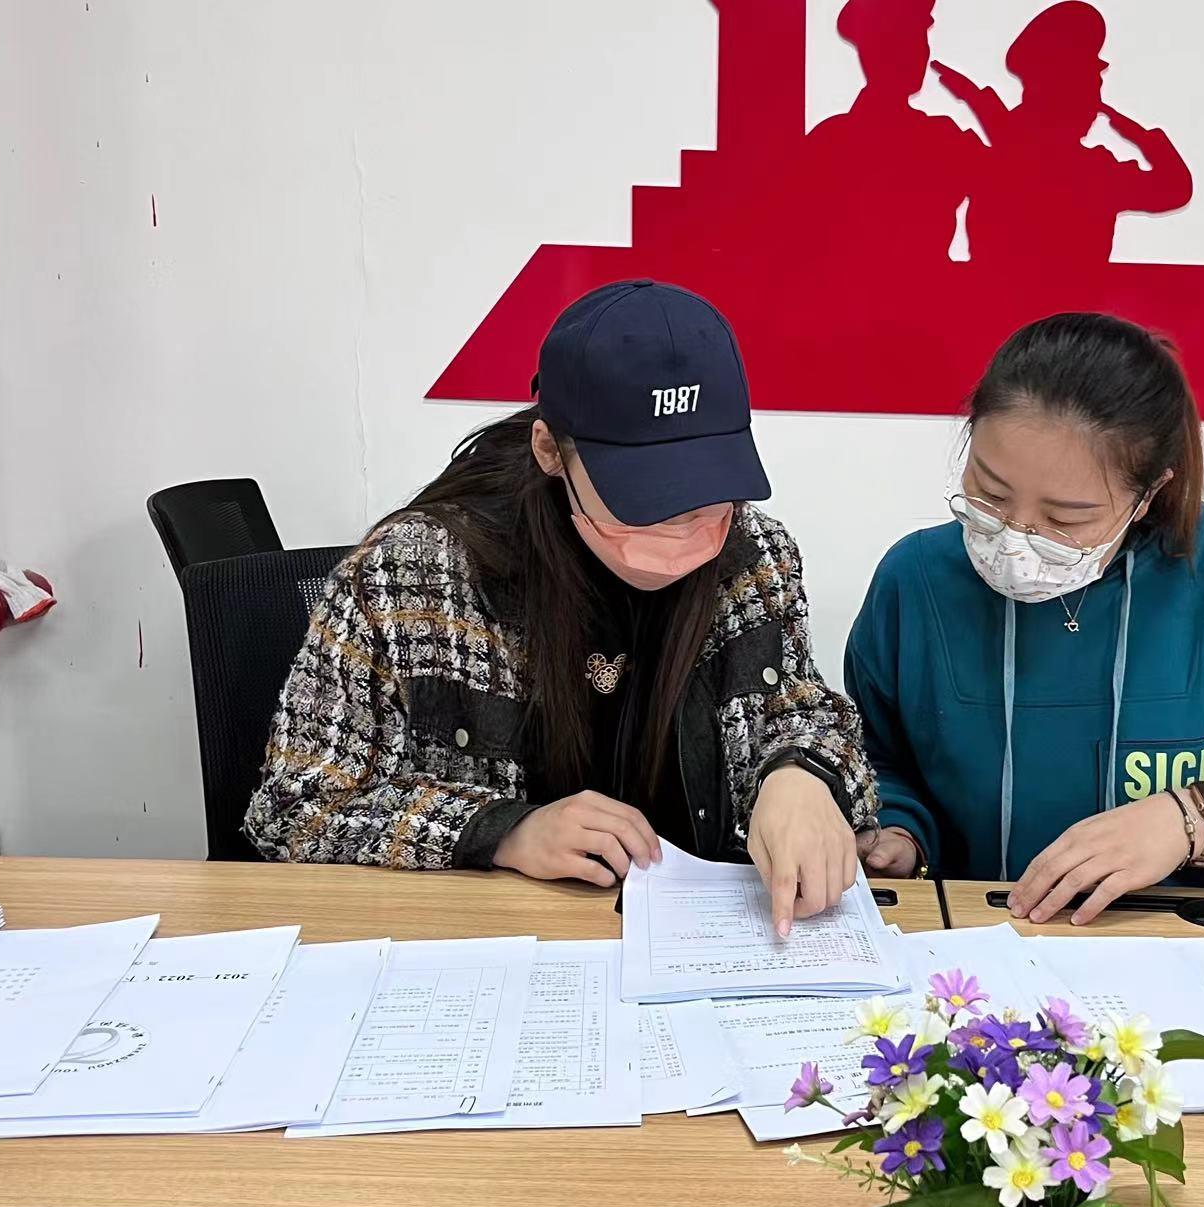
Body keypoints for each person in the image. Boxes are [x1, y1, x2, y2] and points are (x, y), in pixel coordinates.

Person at [248, 280, 879, 934]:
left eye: (708, 493)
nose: (682, 527)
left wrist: (802, 774)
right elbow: (292, 809)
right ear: (551, 450)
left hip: (704, 938)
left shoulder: (752, 555)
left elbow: (801, 713)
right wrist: (501, 831)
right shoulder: (413, 576)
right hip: (496, 943)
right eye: (643, 498)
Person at [844, 312, 1204, 923]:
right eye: (990, 494)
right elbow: (880, 764)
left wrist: (1194, 821)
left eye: (1066, 519)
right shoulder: (916, 580)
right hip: (978, 947)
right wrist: (898, 835)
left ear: (1149, 495)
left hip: (1188, 949)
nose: (1014, 539)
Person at [933, 1, 1192, 271]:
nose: (1097, 104)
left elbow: (1173, 190)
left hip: (1027, 297)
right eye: (1090, 89)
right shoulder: (1093, 172)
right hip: (1045, 296)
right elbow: (1174, 187)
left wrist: (987, 109)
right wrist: (1140, 136)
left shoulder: (999, 159)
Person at [800, 0, 982, 269]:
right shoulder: (829, 144)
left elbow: (1012, 181)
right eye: (904, 42)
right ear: (873, 53)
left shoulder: (942, 138)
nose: (919, 54)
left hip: (922, 289)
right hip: (863, 287)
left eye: (920, 40)